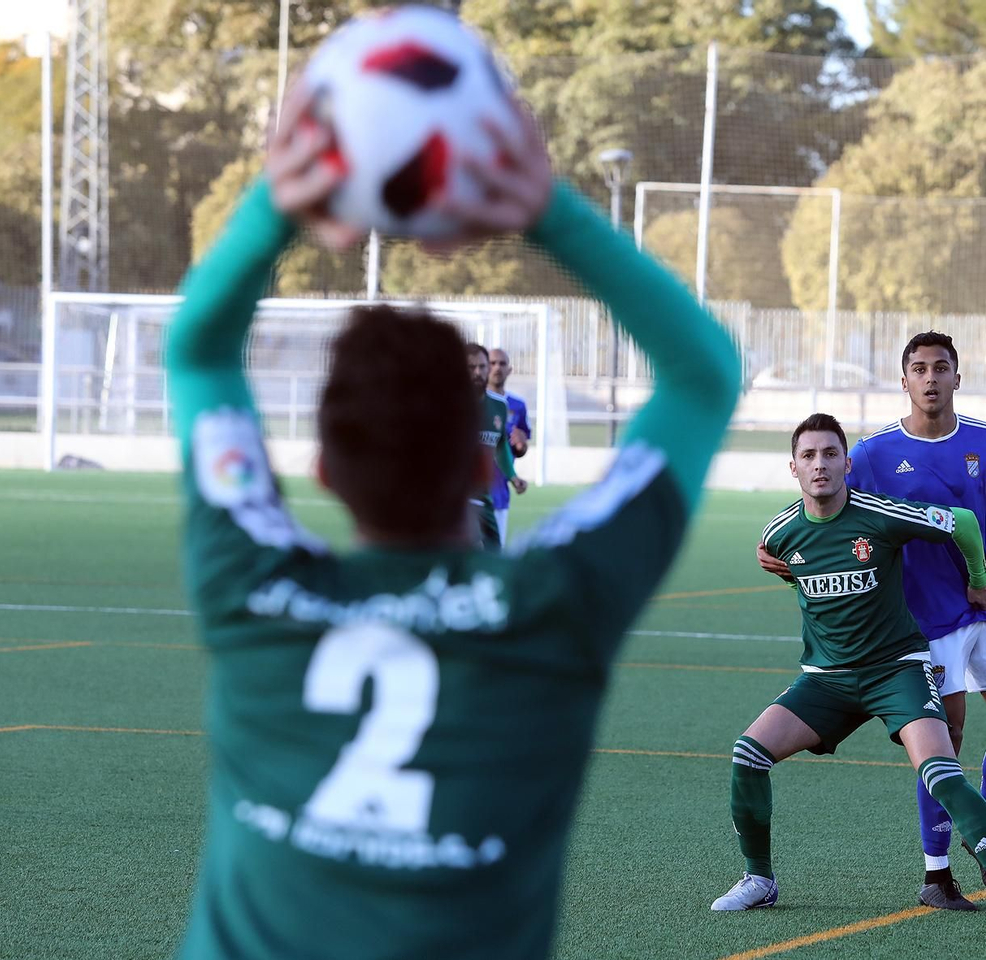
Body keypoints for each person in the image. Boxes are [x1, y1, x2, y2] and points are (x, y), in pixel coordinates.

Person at [168, 85, 741, 960]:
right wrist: (539, 206)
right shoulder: (555, 602)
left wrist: (281, 201)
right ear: (484, 463)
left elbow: (199, 351)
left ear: (322, 470)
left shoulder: (253, 587)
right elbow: (703, 374)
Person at [756, 331, 986, 908]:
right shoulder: (872, 455)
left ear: (957, 376)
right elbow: (825, 509)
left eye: (941, 368)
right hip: (924, 620)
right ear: (904, 380)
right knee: (943, 742)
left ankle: (985, 829)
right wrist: (787, 555)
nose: (930, 378)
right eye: (919, 369)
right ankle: (937, 874)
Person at [715, 413, 986, 933]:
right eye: (809, 456)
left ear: (848, 464)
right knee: (748, 753)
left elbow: (960, 521)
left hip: (897, 671)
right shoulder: (779, 533)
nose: (820, 465)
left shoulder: (877, 514)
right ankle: (759, 878)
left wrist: (980, 578)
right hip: (827, 679)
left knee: (940, 770)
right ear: (794, 469)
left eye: (829, 454)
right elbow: (803, 575)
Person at [466, 342, 525, 547]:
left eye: (482, 367)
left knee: (494, 555)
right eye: (471, 367)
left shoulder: (499, 406)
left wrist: (513, 476)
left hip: (484, 498)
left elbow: (500, 447)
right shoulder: (448, 405)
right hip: (455, 500)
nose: (478, 372)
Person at [487, 347, 532, 544]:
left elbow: (516, 448)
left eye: (502, 363)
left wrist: (521, 447)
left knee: (494, 554)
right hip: (470, 492)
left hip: (499, 492)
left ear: (509, 369)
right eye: (492, 363)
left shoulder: (517, 405)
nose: (497, 368)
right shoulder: (470, 402)